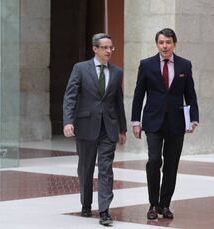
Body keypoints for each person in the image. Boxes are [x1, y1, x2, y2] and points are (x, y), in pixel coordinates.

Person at [131, 28, 199, 220]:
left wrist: (193, 118)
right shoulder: (146, 65)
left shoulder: (185, 65)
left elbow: (190, 94)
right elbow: (138, 94)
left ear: (174, 43)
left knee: (171, 165)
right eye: (161, 42)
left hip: (176, 123)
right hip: (153, 121)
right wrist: (136, 121)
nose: (165, 46)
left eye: (168, 42)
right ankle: (153, 203)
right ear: (157, 44)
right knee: (154, 161)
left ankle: (165, 205)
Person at [63, 33, 127, 226]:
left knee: (106, 169)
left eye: (111, 47)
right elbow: (70, 97)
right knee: (86, 167)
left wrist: (122, 129)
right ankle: (86, 203)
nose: (109, 51)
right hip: (85, 126)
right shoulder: (80, 69)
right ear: (95, 49)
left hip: (108, 128)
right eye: (105, 47)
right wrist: (68, 121)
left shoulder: (117, 72)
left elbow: (118, 102)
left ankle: (104, 210)